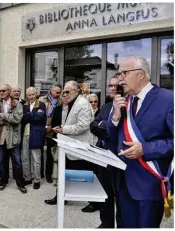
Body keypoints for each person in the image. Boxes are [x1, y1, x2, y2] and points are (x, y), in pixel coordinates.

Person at [107, 56, 174, 228]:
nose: (120, 78)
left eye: (124, 73)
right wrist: (114, 117)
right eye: (119, 73)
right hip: (122, 183)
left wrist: (145, 149)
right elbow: (111, 135)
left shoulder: (168, 100)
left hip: (150, 184)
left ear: (141, 75)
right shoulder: (124, 101)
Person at [45, 81, 96, 205]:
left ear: (76, 91)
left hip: (80, 147)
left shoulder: (82, 103)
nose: (65, 94)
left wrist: (63, 129)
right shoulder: (72, 103)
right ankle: (61, 197)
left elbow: (83, 126)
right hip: (70, 145)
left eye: (68, 92)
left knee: (87, 175)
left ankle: (95, 203)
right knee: (64, 173)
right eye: (64, 92)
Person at [90, 76, 122, 228]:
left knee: (121, 199)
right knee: (105, 196)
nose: (113, 88)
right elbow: (94, 126)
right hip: (103, 157)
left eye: (117, 86)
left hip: (120, 159)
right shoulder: (105, 107)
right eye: (110, 85)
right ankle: (106, 224)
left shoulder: (127, 106)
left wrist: (105, 125)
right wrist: (107, 125)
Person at [0, 84, 27, 194]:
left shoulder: (17, 104)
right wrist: (7, 118)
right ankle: (3, 181)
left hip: (13, 137)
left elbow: (17, 119)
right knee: (1, 162)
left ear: (9, 91)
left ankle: (20, 183)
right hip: (0, 137)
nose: (1, 92)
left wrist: (4, 116)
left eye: (3, 90)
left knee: (17, 162)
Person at [21, 87, 46, 189]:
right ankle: (27, 178)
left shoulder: (41, 105)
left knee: (36, 158)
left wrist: (28, 116)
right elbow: (22, 118)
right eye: (29, 95)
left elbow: (39, 118)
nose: (31, 96)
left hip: (36, 135)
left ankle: (37, 180)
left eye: (32, 94)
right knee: (25, 158)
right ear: (27, 96)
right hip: (25, 135)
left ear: (36, 94)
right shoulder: (24, 105)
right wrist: (32, 115)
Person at [39, 84, 62, 183]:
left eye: (59, 92)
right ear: (51, 91)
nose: (58, 94)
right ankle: (40, 173)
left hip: (52, 130)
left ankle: (49, 174)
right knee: (39, 152)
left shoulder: (61, 101)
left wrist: (51, 128)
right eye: (57, 92)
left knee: (50, 154)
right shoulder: (42, 99)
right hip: (40, 129)